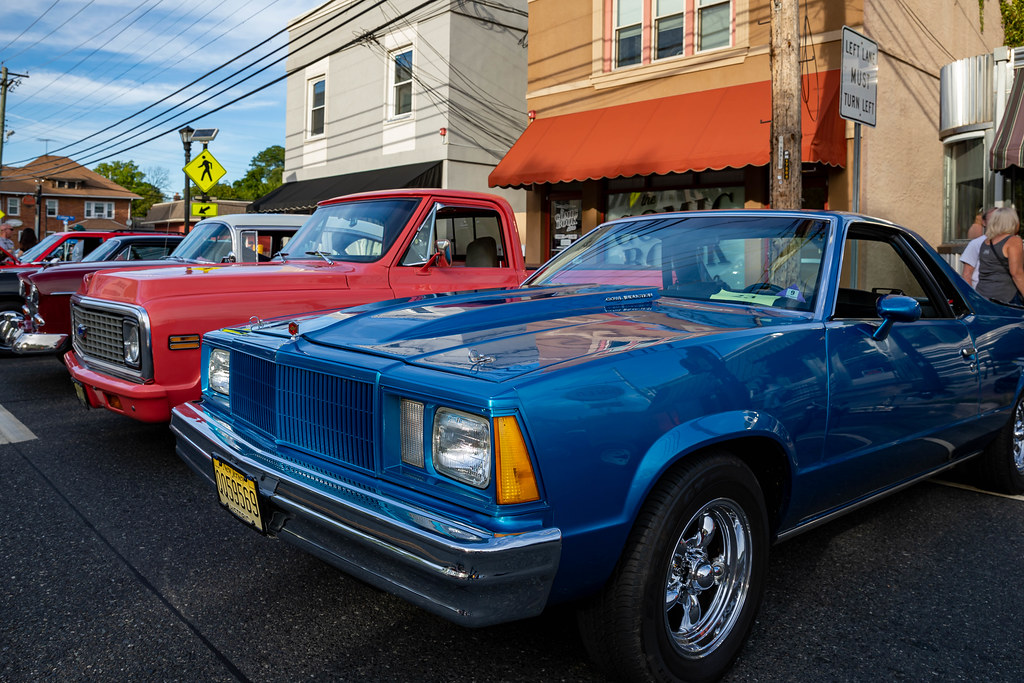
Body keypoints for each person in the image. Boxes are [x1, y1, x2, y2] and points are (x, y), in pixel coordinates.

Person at [976, 206, 1024, 304]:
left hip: (982, 295)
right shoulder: (1014, 241)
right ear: (1012, 222)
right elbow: (1017, 273)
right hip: (1005, 297)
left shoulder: (986, 242)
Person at [960, 207, 993, 288]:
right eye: (992, 219)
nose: (996, 222)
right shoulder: (977, 243)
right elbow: (966, 275)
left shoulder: (1010, 243)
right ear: (984, 222)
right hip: (980, 294)